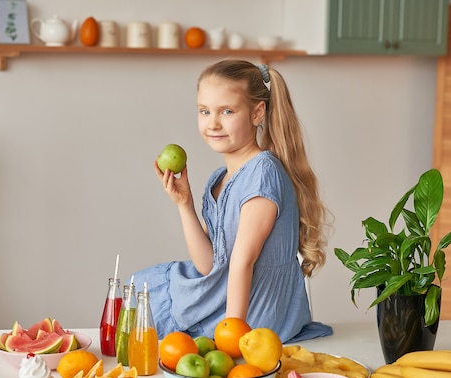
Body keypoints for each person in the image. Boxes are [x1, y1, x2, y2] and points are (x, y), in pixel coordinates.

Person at [132, 59, 332, 343]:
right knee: (139, 290)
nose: (213, 123)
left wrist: (231, 339)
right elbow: (208, 264)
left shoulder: (263, 174)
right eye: (204, 111)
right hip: (228, 295)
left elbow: (242, 263)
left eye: (227, 111)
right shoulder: (219, 178)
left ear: (257, 113)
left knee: (153, 303)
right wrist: (184, 204)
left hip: (252, 315)